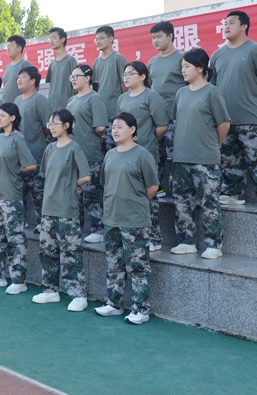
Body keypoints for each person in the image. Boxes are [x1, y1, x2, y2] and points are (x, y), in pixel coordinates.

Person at [210, 10, 257, 209]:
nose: (226, 26)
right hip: (225, 119)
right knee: (229, 159)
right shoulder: (217, 55)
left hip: (251, 117)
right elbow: (213, 87)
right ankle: (233, 194)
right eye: (225, 23)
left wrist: (253, 97)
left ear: (244, 26)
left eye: (231, 23)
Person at [95, 112, 158, 325]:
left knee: (138, 266)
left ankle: (141, 309)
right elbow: (106, 183)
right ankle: (114, 303)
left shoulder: (142, 155)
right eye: (113, 127)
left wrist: (134, 201)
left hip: (134, 220)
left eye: (120, 126)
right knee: (114, 263)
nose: (115, 130)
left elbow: (152, 187)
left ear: (132, 129)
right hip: (111, 218)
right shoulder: (110, 154)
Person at [170, 48, 230, 259]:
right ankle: (186, 242)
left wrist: (214, 145)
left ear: (200, 67)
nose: (183, 70)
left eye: (187, 66)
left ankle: (214, 245)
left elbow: (223, 124)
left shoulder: (212, 92)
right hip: (181, 157)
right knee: (181, 202)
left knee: (209, 203)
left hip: (205, 159)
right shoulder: (181, 93)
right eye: (182, 66)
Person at [33, 109, 91, 312]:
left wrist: (73, 184)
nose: (51, 127)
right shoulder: (50, 148)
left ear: (66, 126)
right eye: (49, 123)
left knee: (71, 254)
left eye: (55, 123)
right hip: (48, 207)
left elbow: (86, 175)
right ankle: (50, 290)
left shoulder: (74, 148)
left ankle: (78, 294)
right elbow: (46, 173)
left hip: (67, 208)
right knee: (47, 251)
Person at [0, 102, 37, 294]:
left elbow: (31, 165)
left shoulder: (17, 139)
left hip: (11, 195)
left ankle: (19, 280)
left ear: (13, 118)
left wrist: (14, 172)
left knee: (15, 237)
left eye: (2, 115)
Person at [117, 61, 169, 252]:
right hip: (125, 155)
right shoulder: (122, 99)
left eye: (130, 73)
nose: (126, 77)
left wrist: (148, 139)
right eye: (124, 74)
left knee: (149, 197)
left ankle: (154, 238)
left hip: (146, 153)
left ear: (142, 76)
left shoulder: (151, 96)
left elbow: (162, 125)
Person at [66, 65, 108, 243]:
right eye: (71, 77)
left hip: (89, 153)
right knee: (75, 193)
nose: (73, 79)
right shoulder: (71, 99)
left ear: (87, 77)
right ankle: (76, 227)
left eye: (77, 76)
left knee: (92, 194)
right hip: (73, 153)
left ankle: (99, 229)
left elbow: (100, 127)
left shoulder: (94, 98)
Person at [148, 21, 187, 197]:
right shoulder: (152, 62)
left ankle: (181, 189)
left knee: (178, 153)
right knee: (157, 152)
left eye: (159, 36)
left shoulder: (182, 58)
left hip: (177, 115)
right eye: (153, 38)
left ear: (170, 36)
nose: (155, 41)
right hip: (156, 117)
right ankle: (159, 187)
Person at [14, 65, 52, 231]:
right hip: (18, 159)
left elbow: (48, 128)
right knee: (18, 194)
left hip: (36, 157)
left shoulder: (40, 100)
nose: (19, 80)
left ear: (33, 81)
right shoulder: (16, 101)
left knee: (39, 194)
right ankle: (19, 222)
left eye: (23, 77)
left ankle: (43, 224)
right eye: (18, 77)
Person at [92, 26, 127, 151]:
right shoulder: (96, 62)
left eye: (101, 38)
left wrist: (123, 108)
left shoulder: (118, 58)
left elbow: (124, 84)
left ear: (111, 39)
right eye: (96, 39)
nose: (98, 42)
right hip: (100, 113)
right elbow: (95, 87)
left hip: (115, 112)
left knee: (115, 147)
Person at [45, 27, 77, 110]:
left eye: (54, 38)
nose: (51, 41)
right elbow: (49, 84)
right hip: (52, 106)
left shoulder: (70, 60)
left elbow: (77, 84)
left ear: (62, 39)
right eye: (50, 38)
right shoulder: (52, 64)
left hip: (67, 106)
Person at [1, 35, 33, 104]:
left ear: (19, 49)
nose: (8, 49)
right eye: (7, 47)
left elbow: (34, 87)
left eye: (11, 46)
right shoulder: (7, 67)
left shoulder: (25, 64)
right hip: (6, 105)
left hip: (19, 105)